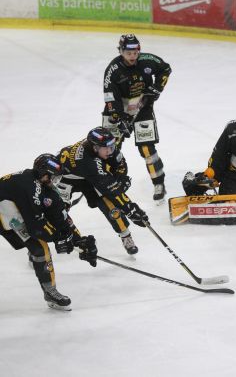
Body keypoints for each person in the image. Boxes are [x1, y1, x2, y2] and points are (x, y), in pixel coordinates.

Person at [0, 154, 98, 310]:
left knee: (39, 244)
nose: (56, 181)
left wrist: (79, 240)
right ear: (43, 173)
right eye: (53, 177)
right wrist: (59, 238)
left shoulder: (45, 186)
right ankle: (49, 291)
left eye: (57, 177)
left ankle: (38, 266)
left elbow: (60, 216)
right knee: (40, 247)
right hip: (5, 211)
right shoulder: (30, 187)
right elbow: (36, 226)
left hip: (11, 210)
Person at [56, 127, 148, 255]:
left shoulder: (106, 149)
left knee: (109, 204)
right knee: (57, 211)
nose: (111, 150)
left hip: (88, 176)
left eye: (112, 145)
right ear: (95, 148)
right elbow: (109, 187)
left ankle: (125, 235)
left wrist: (120, 180)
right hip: (65, 178)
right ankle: (41, 249)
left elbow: (120, 164)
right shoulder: (87, 162)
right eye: (107, 147)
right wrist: (130, 208)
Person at [102, 33, 172, 203]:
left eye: (135, 52)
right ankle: (104, 184)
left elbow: (166, 69)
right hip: (118, 110)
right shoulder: (113, 70)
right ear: (121, 51)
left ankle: (159, 184)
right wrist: (119, 120)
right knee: (107, 149)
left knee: (147, 149)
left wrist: (157, 88)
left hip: (143, 107)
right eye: (128, 53)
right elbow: (111, 98)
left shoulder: (148, 60)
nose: (132, 56)